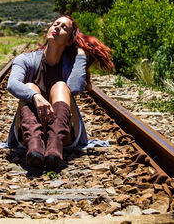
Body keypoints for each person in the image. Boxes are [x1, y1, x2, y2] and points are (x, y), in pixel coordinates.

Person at [7, 15, 113, 169]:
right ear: (48, 30)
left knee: (60, 86)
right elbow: (12, 84)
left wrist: (81, 54)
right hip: (28, 137)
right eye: (55, 24)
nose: (57, 27)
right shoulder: (26, 59)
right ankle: (35, 147)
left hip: (64, 136)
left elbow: (76, 88)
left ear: (70, 40)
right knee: (30, 87)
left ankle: (54, 147)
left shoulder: (70, 64)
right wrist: (35, 96)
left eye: (64, 27)